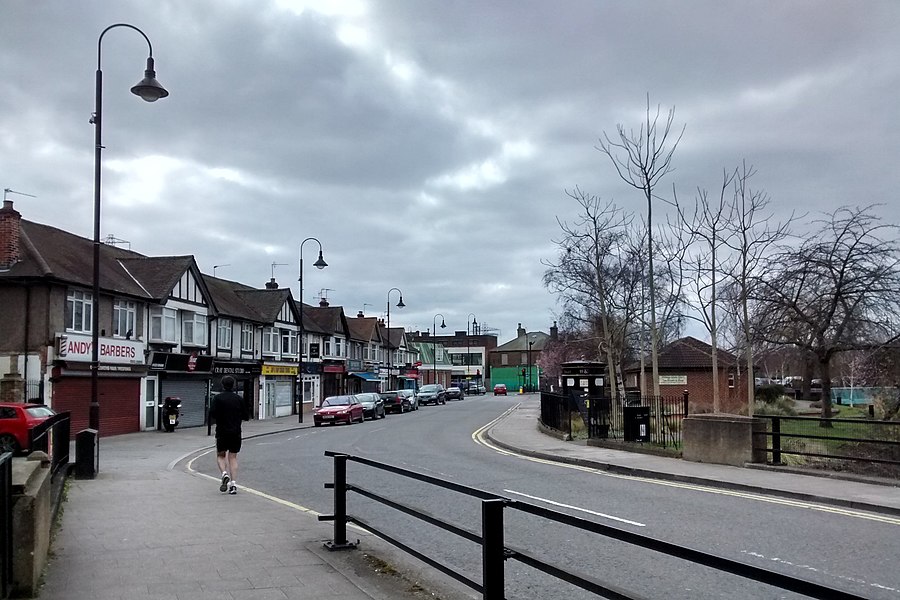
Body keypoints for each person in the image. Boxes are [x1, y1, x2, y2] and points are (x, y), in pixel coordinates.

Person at [209, 375, 245, 495]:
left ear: (222, 385)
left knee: (221, 455)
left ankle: (224, 474)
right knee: (233, 457)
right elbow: (246, 416)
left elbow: (212, 414)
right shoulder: (238, 399)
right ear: (233, 385)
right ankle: (233, 485)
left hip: (222, 431)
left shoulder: (217, 398)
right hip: (235, 432)